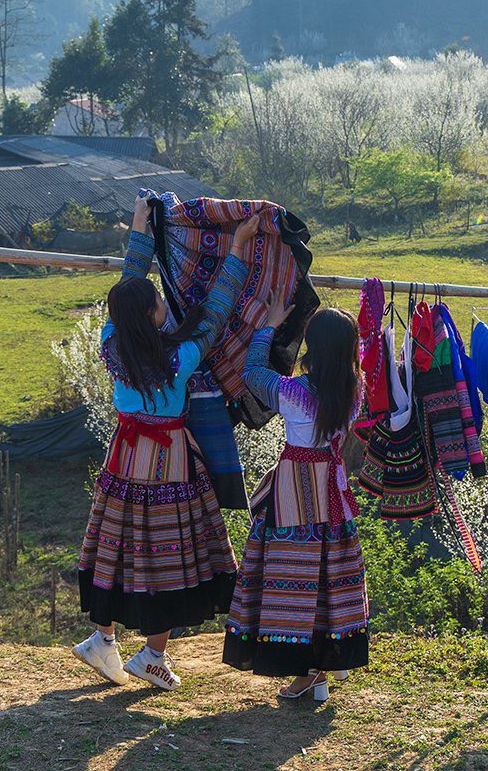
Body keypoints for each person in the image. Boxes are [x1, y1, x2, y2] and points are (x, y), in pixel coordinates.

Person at [73, 194, 265, 691]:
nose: (164, 301)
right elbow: (218, 309)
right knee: (164, 554)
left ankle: (102, 640)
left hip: (125, 455)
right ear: (156, 315)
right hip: (169, 462)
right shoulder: (180, 359)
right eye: (159, 300)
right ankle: (152, 657)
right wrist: (240, 246)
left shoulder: (113, 344)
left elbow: (127, 287)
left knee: (117, 548)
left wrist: (140, 226)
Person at [222, 298, 369, 702]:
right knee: (327, 573)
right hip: (332, 487)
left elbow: (252, 373)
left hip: (296, 487)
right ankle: (319, 671)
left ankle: (306, 673)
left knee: (295, 573)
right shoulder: (354, 391)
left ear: (312, 347)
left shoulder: (292, 393)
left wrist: (268, 326)